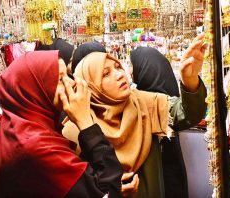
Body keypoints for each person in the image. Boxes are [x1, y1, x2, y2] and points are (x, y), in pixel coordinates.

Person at [63, 33, 207, 197]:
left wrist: (190, 80)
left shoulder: (145, 103)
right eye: (105, 74)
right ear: (91, 86)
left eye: (117, 67)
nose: (119, 75)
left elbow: (188, 114)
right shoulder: (77, 129)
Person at [0, 51, 123, 198]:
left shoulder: (16, 127)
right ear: (36, 90)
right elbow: (108, 193)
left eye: (67, 75)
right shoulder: (37, 147)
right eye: (60, 79)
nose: (72, 82)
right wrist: (85, 122)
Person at [131, 46, 202, 198]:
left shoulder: (153, 104)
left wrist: (190, 81)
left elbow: (189, 112)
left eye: (133, 67)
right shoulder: (138, 102)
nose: (128, 74)